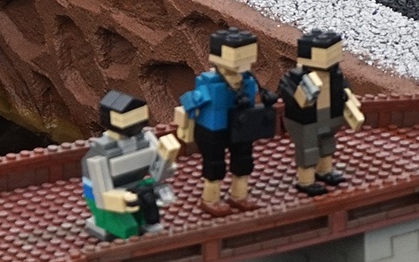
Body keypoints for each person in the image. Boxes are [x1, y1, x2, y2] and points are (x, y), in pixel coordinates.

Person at [178, 28, 271, 215]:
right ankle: (210, 199)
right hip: (213, 129)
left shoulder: (248, 80)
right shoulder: (210, 83)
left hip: (241, 125)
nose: (243, 62)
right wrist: (185, 127)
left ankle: (239, 195)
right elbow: (190, 104)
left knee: (243, 160)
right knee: (215, 164)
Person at [81, 90, 182, 239]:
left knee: (149, 197)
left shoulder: (146, 140)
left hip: (134, 185)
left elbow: (158, 174)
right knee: (129, 229)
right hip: (104, 195)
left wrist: (166, 157)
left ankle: (151, 223)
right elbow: (100, 191)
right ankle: (106, 223)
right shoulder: (100, 152)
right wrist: (120, 198)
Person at [278, 28, 366, 195]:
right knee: (308, 149)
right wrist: (304, 94)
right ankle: (306, 181)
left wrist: (346, 98)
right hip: (305, 121)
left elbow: (344, 89)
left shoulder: (335, 75)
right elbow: (289, 95)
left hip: (329, 115)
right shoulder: (296, 77)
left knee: (327, 144)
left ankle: (324, 171)